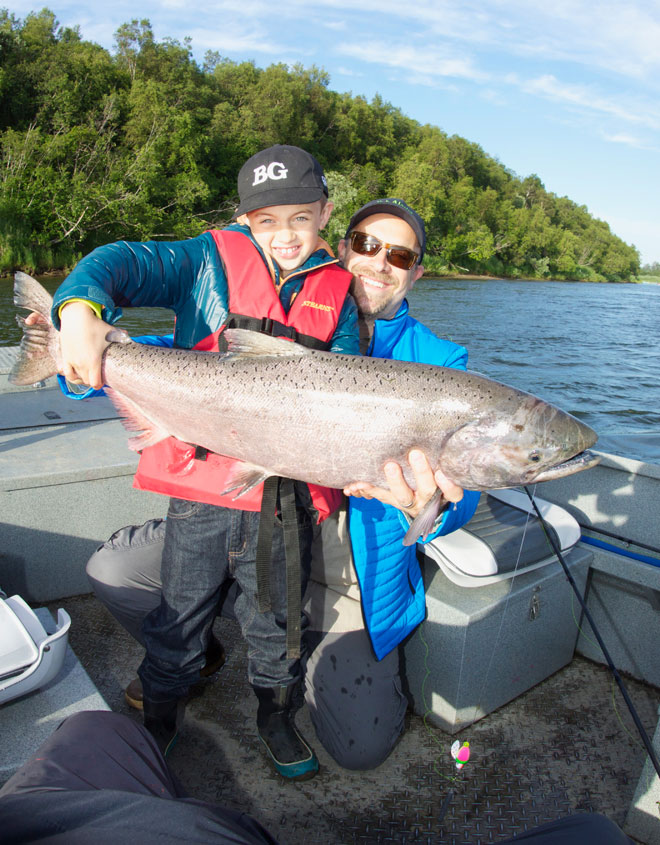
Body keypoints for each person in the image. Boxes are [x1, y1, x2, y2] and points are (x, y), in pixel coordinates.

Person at [84, 198, 481, 772]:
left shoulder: (442, 363)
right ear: (342, 248)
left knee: (361, 749)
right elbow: (178, 372)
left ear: (417, 270)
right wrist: (82, 349)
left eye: (400, 255)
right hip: (234, 508)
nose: (378, 263)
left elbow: (468, 492)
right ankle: (198, 656)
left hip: (345, 558)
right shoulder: (284, 305)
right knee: (114, 574)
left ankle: (273, 692)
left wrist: (434, 506)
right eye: (367, 245)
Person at [46, 144, 360, 781]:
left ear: (325, 214)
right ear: (245, 220)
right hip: (201, 493)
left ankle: (276, 714)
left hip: (283, 502)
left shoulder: (340, 291)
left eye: (301, 217)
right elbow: (117, 261)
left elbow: (348, 389)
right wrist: (78, 311)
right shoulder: (201, 260)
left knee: (278, 627)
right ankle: (159, 718)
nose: (286, 234)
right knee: (178, 618)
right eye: (266, 221)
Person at [0, 710, 634, 844]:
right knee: (597, 836)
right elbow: (89, 390)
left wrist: (437, 509)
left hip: (36, 819)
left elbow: (462, 504)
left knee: (95, 728)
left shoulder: (433, 358)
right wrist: (83, 365)